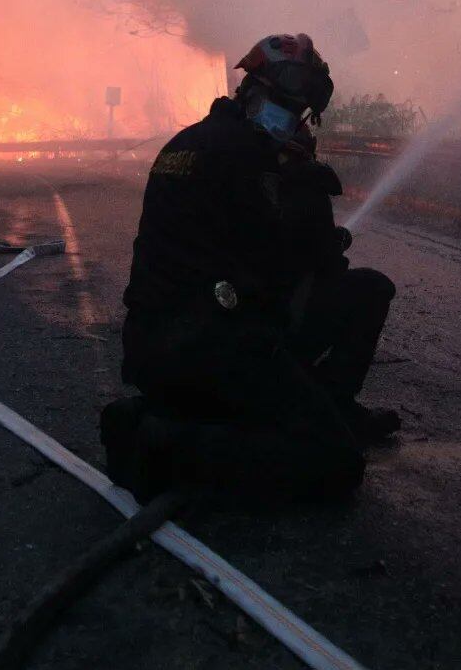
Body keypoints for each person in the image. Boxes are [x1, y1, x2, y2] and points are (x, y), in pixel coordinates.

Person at [104, 33, 399, 506]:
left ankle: (328, 408)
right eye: (285, 104)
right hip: (212, 352)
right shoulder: (250, 159)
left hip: (156, 345)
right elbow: (288, 265)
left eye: (299, 111)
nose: (292, 120)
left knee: (365, 291)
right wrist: (308, 196)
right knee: (336, 463)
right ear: (253, 90)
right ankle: (160, 442)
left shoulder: (188, 143)